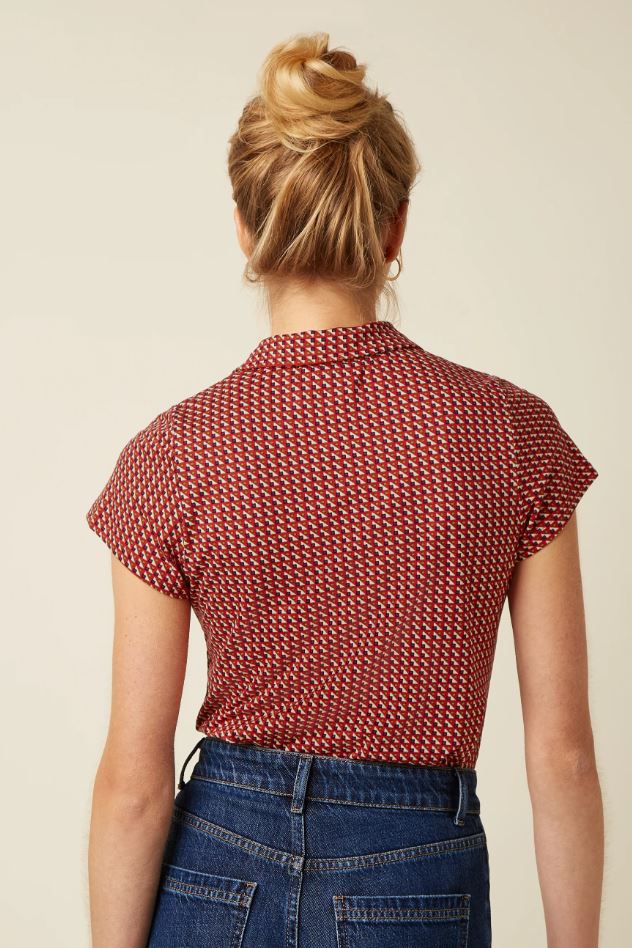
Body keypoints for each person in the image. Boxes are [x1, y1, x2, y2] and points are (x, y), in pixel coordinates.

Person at [85, 31, 603, 948]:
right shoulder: (513, 436)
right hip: (416, 879)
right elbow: (561, 756)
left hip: (217, 872)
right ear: (395, 227)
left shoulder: (172, 456)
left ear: (246, 230)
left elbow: (134, 783)